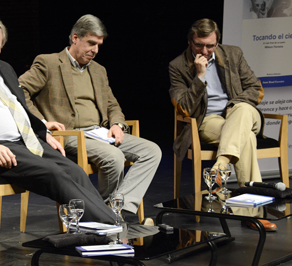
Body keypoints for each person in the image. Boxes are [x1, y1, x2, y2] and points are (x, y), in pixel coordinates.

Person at [0, 16, 116, 224]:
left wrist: (43, 131)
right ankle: (110, 227)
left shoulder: (5, 69)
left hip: (28, 142)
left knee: (75, 171)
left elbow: (21, 109)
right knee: (55, 173)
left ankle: (97, 228)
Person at [18, 14, 162, 218]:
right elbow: (18, 90)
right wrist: (42, 122)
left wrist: (118, 125)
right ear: (75, 38)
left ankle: (112, 209)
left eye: (99, 45)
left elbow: (112, 104)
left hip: (100, 132)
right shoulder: (49, 63)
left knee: (152, 151)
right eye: (91, 43)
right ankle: (104, 214)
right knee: (114, 157)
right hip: (69, 135)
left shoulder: (99, 70)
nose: (95, 50)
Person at [168, 18, 276, 231]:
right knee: (246, 138)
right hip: (208, 120)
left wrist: (234, 104)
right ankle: (252, 212)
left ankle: (219, 166)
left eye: (210, 45)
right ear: (190, 42)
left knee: (243, 110)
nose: (205, 50)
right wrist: (199, 77)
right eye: (199, 45)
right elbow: (185, 109)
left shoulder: (233, 54)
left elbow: (255, 88)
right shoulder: (178, 66)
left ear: (217, 43)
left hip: (242, 113)